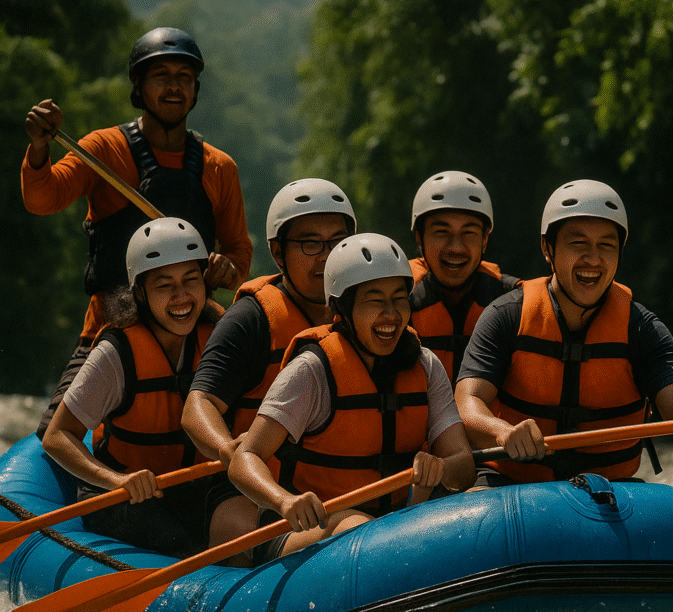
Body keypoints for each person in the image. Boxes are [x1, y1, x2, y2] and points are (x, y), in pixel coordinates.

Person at [23, 27, 252, 437]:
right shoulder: (104, 149)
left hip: (194, 331)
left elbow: (239, 252)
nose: (174, 87)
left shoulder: (219, 167)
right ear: (138, 85)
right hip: (108, 330)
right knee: (51, 439)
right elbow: (43, 198)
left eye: (184, 77)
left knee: (252, 402)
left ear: (195, 90)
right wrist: (39, 149)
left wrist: (227, 268)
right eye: (161, 76)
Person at [454, 179, 673, 486]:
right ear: (548, 248)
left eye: (606, 246)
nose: (593, 259)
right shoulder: (505, 317)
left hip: (609, 490)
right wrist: (502, 432)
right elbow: (467, 404)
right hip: (511, 485)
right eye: (578, 243)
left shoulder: (643, 329)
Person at [226, 233, 476, 563]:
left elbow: (464, 464)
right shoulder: (311, 371)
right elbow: (244, 458)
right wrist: (283, 501)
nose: (391, 314)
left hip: (394, 523)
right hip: (304, 530)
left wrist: (441, 467)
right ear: (342, 309)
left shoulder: (426, 366)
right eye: (375, 301)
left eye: (399, 299)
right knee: (356, 526)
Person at [41, 218, 252, 561]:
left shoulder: (219, 338)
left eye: (191, 280)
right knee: (174, 543)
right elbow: (57, 436)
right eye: (164, 285)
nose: (181, 296)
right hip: (125, 495)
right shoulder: (116, 354)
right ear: (139, 293)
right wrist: (115, 480)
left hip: (193, 485)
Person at [183, 178, 356, 472]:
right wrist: (227, 449)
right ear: (278, 252)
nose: (327, 256)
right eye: (311, 244)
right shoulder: (250, 319)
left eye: (338, 242)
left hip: (339, 482)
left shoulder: (371, 310)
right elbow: (198, 404)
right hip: (257, 484)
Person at [408, 171, 520, 382]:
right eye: (442, 232)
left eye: (469, 233)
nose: (456, 248)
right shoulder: (396, 301)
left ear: (484, 240)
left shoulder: (514, 301)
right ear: (419, 239)